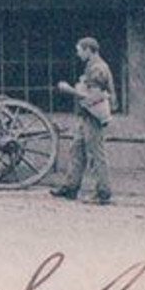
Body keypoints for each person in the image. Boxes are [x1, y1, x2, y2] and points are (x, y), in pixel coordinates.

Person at [52, 36, 115, 206]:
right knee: (76, 150)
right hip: (86, 114)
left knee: (97, 154)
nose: (78, 53)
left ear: (88, 50)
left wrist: (70, 90)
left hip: (93, 115)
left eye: (79, 50)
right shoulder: (92, 67)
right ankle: (71, 187)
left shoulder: (98, 68)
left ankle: (103, 193)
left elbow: (94, 96)